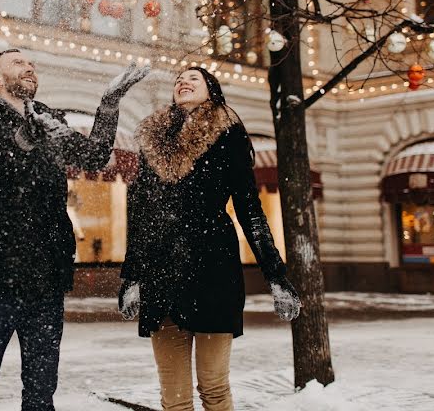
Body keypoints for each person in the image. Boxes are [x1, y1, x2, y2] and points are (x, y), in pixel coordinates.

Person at [0, 49, 149, 411]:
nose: (29, 67)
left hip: (47, 275)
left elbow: (94, 157)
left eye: (31, 63)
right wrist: (22, 142)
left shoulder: (49, 118)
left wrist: (109, 105)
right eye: (17, 63)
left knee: (42, 391)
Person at [118, 67, 301, 411]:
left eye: (194, 79)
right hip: (161, 272)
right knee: (174, 398)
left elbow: (250, 209)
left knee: (214, 389)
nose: (183, 82)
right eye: (178, 79)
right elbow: (141, 215)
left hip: (212, 268)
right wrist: (131, 277)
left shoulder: (227, 134)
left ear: (211, 90)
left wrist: (276, 275)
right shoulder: (154, 138)